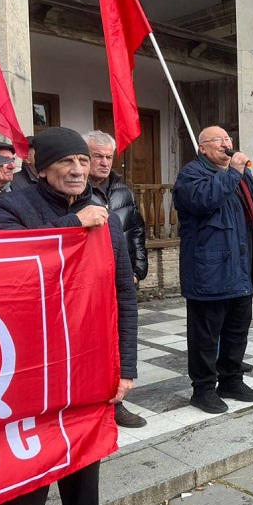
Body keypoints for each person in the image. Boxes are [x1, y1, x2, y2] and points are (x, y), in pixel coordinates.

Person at [0, 127, 138, 505]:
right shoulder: (8, 209)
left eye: (83, 161)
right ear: (42, 170)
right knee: (25, 484)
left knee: (83, 476)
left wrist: (126, 367)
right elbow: (9, 272)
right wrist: (74, 225)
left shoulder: (108, 219)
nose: (77, 170)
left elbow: (123, 294)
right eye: (65, 161)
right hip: (29, 368)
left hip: (87, 363)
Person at [173, 125, 253, 414]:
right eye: (218, 140)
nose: (226, 143)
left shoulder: (242, 175)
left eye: (228, 139)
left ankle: (231, 380)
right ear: (202, 148)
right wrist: (233, 174)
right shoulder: (191, 174)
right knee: (205, 336)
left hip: (241, 268)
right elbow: (204, 201)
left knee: (236, 331)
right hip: (209, 271)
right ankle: (203, 389)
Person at [84, 130, 149, 427]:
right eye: (97, 156)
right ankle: (92, 401)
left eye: (108, 157)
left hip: (121, 277)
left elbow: (137, 230)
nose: (103, 162)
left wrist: (137, 269)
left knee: (120, 339)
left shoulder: (123, 191)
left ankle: (117, 402)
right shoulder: (77, 193)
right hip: (90, 281)